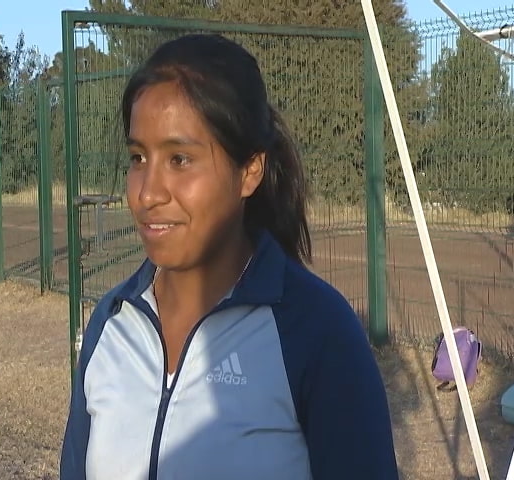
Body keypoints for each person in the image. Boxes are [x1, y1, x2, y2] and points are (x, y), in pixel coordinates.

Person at [60, 34, 398, 479]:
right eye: (139, 157)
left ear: (250, 171)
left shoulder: (317, 332)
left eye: (179, 159)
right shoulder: (111, 322)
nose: (147, 193)